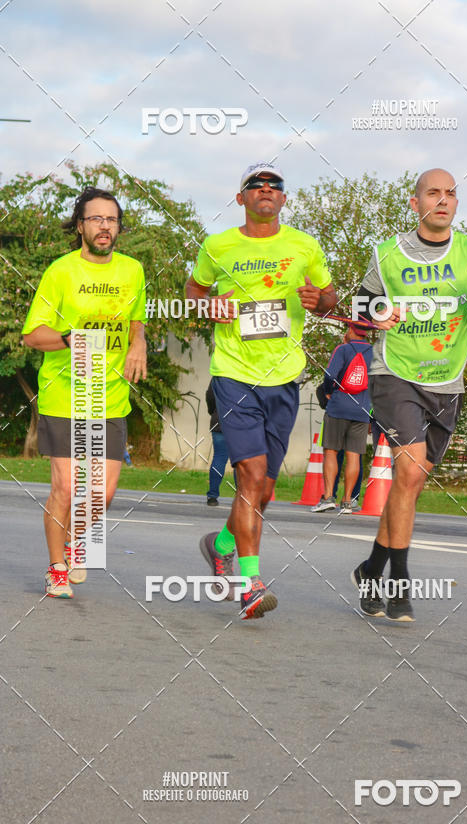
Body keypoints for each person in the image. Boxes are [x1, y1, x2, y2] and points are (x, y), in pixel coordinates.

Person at [351, 168, 467, 621]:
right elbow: (360, 311)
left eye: (451, 193)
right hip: (395, 374)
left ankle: (370, 569)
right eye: (433, 193)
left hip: (447, 381)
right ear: (415, 203)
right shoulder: (387, 254)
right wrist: (376, 316)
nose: (443, 199)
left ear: (457, 204)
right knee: (411, 469)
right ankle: (399, 584)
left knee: (409, 483)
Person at [185, 163, 338, 619]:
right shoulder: (218, 245)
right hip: (233, 374)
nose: (266, 190)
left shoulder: (304, 246)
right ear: (242, 198)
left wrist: (320, 302)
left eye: (275, 186)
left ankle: (222, 543)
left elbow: (329, 300)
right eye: (256, 185)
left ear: (284, 200)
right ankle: (249, 583)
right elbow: (193, 290)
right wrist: (208, 303)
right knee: (249, 475)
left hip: (284, 379)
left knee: (264, 490)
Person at [22, 187, 147, 598]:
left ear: (118, 227)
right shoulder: (60, 272)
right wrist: (67, 338)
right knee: (65, 486)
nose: (104, 226)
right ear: (80, 226)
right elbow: (31, 335)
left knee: (103, 492)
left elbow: (135, 319)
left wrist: (138, 343)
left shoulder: (132, 271)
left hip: (110, 397)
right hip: (64, 392)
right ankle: (57, 567)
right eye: (95, 219)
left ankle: (77, 542)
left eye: (111, 219)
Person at [312, 324, 372, 513]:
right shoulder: (376, 353)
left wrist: (329, 393)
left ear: (350, 331)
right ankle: (347, 502)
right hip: (362, 409)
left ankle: (328, 497)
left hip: (338, 407)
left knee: (331, 451)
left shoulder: (343, 349)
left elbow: (329, 375)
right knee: (354, 455)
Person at [205, 378, 229, 506]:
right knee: (240, 461)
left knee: (219, 458)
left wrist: (213, 411)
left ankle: (212, 496)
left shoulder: (219, 373)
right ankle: (242, 497)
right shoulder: (247, 371)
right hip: (241, 422)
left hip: (219, 420)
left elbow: (210, 395)